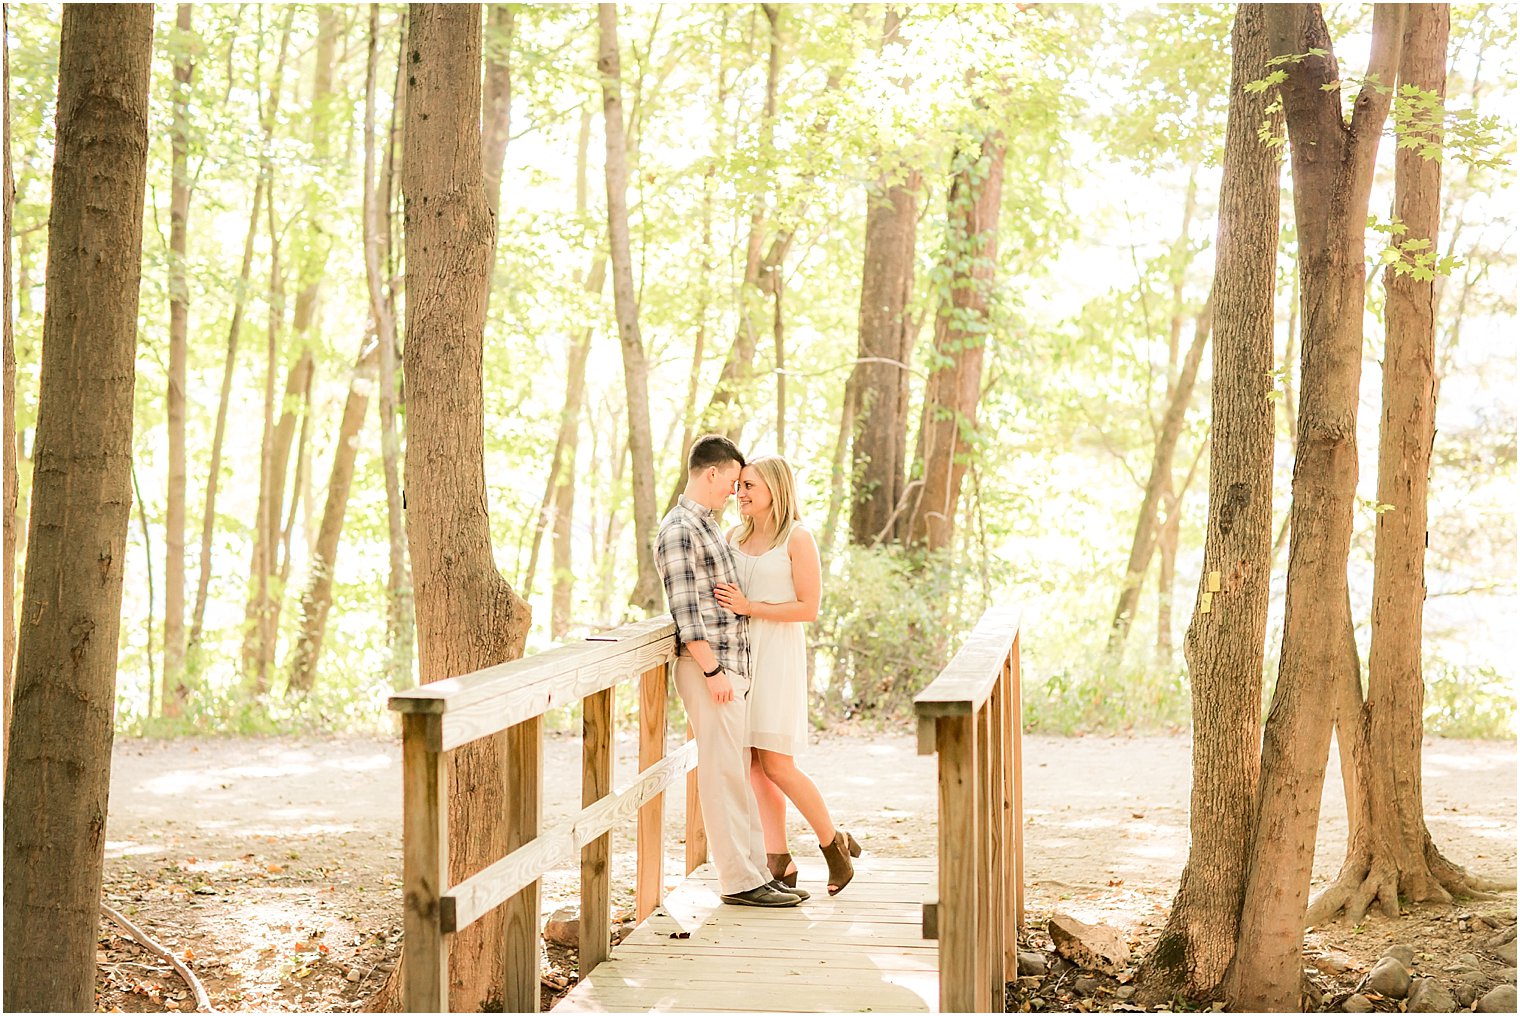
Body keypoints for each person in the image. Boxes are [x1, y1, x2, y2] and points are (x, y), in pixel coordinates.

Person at [654, 435, 803, 908]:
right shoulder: (680, 528)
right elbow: (686, 610)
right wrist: (713, 670)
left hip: (729, 667)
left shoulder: (708, 526)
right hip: (710, 669)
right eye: (733, 481)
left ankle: (758, 871)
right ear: (711, 473)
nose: (734, 492)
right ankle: (739, 881)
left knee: (735, 773)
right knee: (721, 775)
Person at [715, 455, 861, 896]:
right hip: (740, 656)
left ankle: (832, 844)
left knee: (777, 762)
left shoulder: (798, 538)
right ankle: (779, 860)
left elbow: (809, 608)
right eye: (739, 485)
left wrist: (750, 607)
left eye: (749, 486)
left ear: (775, 490)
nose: (739, 493)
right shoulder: (733, 536)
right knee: (755, 764)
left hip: (777, 653)